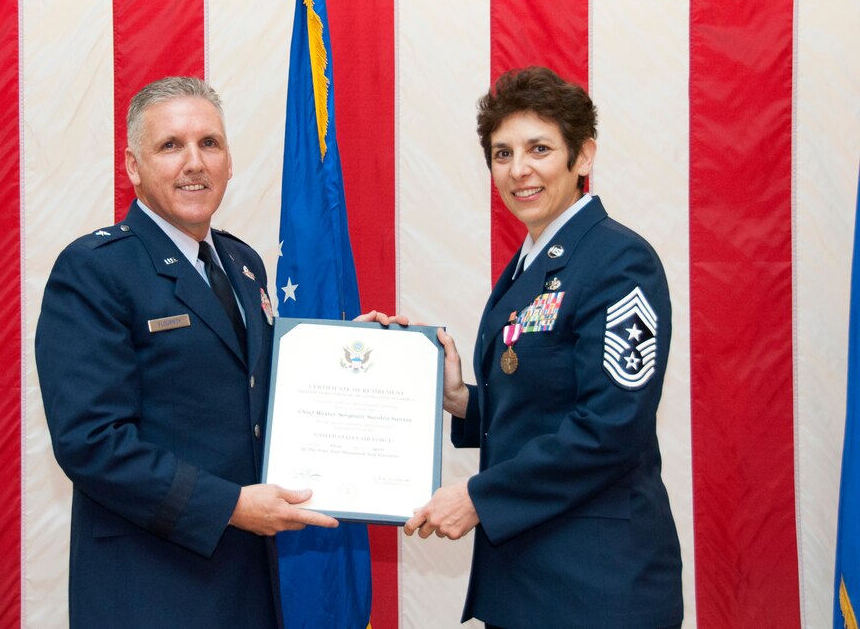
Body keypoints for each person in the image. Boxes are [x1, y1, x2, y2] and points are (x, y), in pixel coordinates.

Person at [36, 76, 337, 627]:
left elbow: (267, 395)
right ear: (133, 165)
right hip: (152, 583)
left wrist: (357, 356)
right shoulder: (96, 270)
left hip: (248, 579)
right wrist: (230, 507)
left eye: (210, 143)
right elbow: (90, 441)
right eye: (171, 146)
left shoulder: (245, 267)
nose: (194, 162)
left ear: (228, 162)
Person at [404, 66, 683, 628]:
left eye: (539, 149)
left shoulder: (617, 261)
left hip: (597, 589)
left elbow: (611, 426)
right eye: (502, 154)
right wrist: (464, 400)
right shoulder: (534, 264)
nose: (519, 170)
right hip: (533, 581)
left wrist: (480, 496)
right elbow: (544, 404)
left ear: (583, 157)